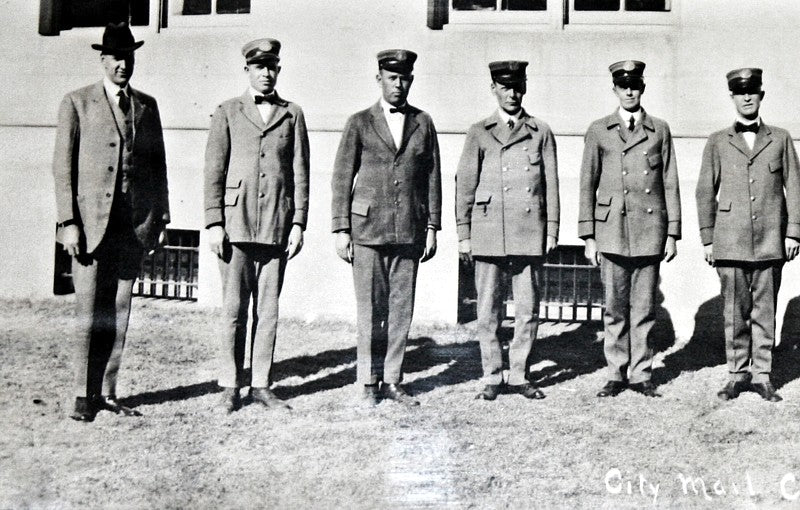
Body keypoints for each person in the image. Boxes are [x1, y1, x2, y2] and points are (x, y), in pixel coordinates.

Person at [52, 22, 170, 422]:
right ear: (103, 60)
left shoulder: (146, 106)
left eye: (128, 58)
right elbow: (62, 168)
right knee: (90, 312)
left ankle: (107, 392)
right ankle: (82, 395)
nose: (123, 65)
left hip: (131, 227)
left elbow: (157, 167)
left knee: (119, 312)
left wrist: (160, 219)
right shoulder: (77, 103)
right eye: (116, 58)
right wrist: (68, 221)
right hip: (90, 227)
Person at [204, 38, 309, 414]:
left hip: (276, 226)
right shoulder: (227, 111)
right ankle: (230, 385)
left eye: (272, 67)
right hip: (236, 225)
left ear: (278, 70)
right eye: (259, 67)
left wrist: (298, 222)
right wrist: (214, 222)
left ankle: (262, 384)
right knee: (234, 310)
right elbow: (214, 171)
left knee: (268, 311)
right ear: (247, 70)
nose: (266, 73)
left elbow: (300, 173)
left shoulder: (292, 113)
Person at [331, 49, 441, 406]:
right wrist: (341, 229)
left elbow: (433, 177)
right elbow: (342, 177)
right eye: (392, 78)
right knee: (370, 310)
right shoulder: (359, 122)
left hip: (408, 229)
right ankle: (368, 380)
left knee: (400, 310)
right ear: (379, 79)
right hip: (367, 231)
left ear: (411, 80)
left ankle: (392, 379)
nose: (398, 84)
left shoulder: (423, 122)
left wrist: (433, 226)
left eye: (404, 78)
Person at [455, 61, 559, 401]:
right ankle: (492, 375)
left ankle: (519, 375)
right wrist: (464, 234)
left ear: (524, 88)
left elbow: (551, 185)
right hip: (489, 232)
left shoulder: (540, 131)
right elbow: (465, 186)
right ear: (494, 89)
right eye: (505, 87)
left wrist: (552, 231)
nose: (512, 94)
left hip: (528, 232)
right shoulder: (479, 132)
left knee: (528, 310)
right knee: (488, 311)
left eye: (517, 87)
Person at [696, 68, 800, 403]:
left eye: (752, 92)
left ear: (761, 95)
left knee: (764, 311)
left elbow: (795, 188)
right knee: (733, 311)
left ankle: (763, 376)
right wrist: (708, 239)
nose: (747, 98)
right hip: (729, 242)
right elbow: (704, 191)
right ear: (732, 97)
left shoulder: (780, 138)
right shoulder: (718, 140)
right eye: (740, 93)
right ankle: (736, 374)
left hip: (771, 240)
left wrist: (793, 233)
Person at [578, 60, 681, 398]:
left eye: (635, 86)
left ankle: (641, 373)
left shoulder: (659, 129)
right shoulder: (599, 130)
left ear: (642, 88)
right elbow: (587, 184)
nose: (630, 91)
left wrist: (672, 233)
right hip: (611, 232)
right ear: (615, 90)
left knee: (644, 308)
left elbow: (670, 182)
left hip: (649, 230)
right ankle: (616, 372)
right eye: (624, 86)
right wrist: (589, 236)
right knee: (614, 308)